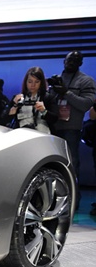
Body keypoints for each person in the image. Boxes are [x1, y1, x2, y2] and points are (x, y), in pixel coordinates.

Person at [49, 51, 96, 193]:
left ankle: (73, 197)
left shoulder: (86, 81)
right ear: (64, 61)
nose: (70, 63)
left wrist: (66, 93)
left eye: (75, 60)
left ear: (80, 63)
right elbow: (50, 103)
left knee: (71, 163)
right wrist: (52, 91)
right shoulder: (57, 79)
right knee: (52, 163)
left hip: (71, 128)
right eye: (69, 60)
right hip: (53, 127)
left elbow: (86, 104)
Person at [5, 67, 57, 133]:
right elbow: (4, 120)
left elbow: (55, 119)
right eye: (30, 82)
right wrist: (14, 107)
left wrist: (44, 111)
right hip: (22, 133)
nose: (33, 85)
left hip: (43, 133)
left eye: (37, 82)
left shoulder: (48, 98)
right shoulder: (18, 98)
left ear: (41, 83)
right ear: (26, 82)